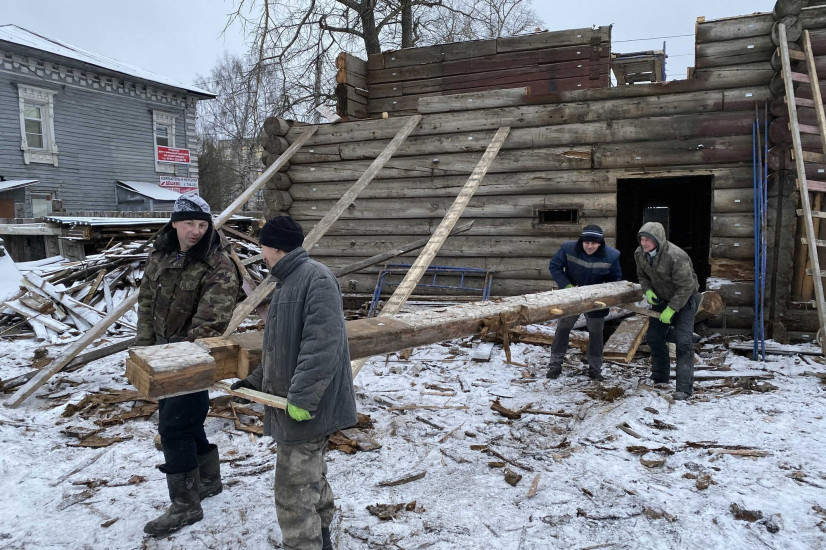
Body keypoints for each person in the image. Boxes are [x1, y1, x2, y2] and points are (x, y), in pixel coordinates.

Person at [232, 215, 357, 550]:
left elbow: (322, 346)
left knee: (292, 488)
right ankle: (322, 537)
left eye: (262, 246)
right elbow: (281, 349)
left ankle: (305, 543)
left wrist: (302, 398)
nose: (262, 253)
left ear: (272, 247)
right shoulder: (288, 281)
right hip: (298, 402)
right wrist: (254, 383)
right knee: (310, 475)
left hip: (308, 406)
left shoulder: (315, 278)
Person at [137, 194, 240, 537]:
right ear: (174, 224)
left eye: (202, 224)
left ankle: (185, 505)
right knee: (188, 420)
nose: (196, 231)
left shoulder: (218, 265)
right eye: (189, 223)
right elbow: (147, 304)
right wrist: (146, 352)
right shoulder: (161, 255)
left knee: (174, 429)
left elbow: (210, 324)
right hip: (162, 356)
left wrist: (176, 362)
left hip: (190, 359)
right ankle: (208, 480)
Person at [634, 221, 700, 401]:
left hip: (685, 300)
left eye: (648, 239)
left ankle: (684, 388)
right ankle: (660, 375)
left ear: (659, 239)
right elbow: (642, 276)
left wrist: (672, 309)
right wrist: (647, 290)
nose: (644, 243)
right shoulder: (640, 254)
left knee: (684, 342)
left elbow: (687, 286)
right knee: (654, 337)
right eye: (642, 238)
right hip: (662, 299)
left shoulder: (676, 256)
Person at [547, 224, 622, 381]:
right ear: (581, 241)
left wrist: (602, 293)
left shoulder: (612, 256)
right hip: (571, 297)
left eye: (593, 243)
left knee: (596, 333)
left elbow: (615, 279)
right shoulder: (568, 248)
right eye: (586, 242)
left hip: (596, 301)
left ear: (600, 243)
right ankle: (554, 365)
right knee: (563, 328)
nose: (589, 246)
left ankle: (595, 369)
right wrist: (567, 286)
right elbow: (555, 266)